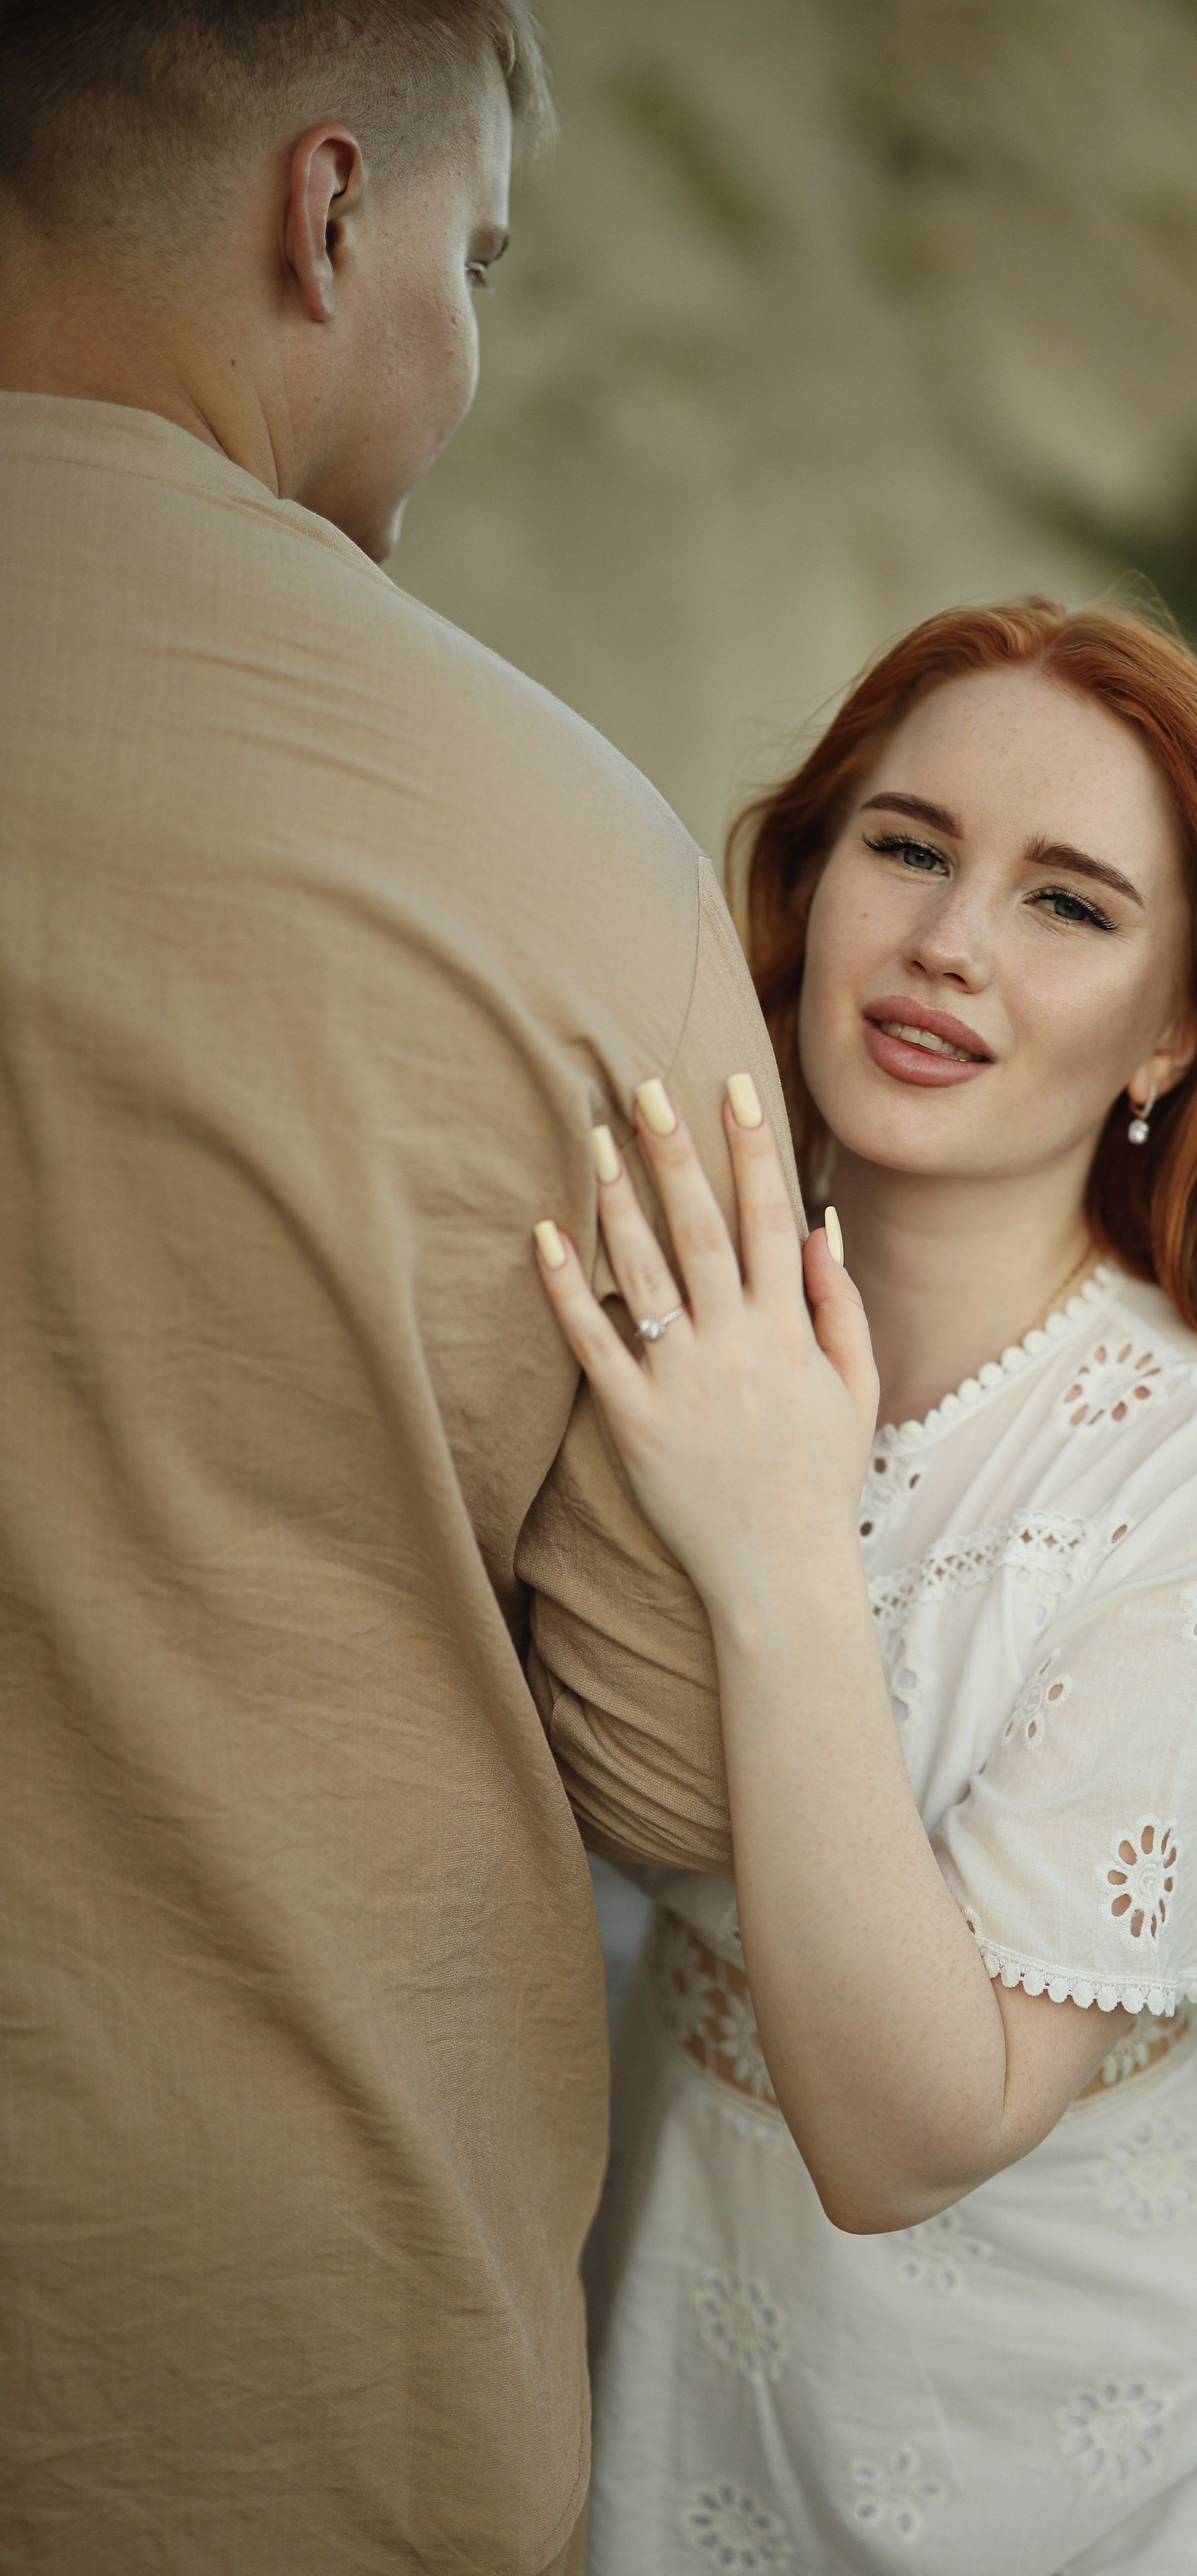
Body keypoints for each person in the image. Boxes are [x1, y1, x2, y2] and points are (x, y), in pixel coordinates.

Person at [0, 6, 794, 2569]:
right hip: (275, 2378)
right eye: (469, 256)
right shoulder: (558, 839)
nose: (455, 337)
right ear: (324, 216)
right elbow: (682, 1776)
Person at [533, 600, 1197, 2573]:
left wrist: (780, 1535)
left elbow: (907, 2140)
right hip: (697, 2327)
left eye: (1067, 904)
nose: (952, 942)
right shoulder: (667, 1301)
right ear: (807, 893)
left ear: (1173, 1029)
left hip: (1133, 2461)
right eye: (908, 847)